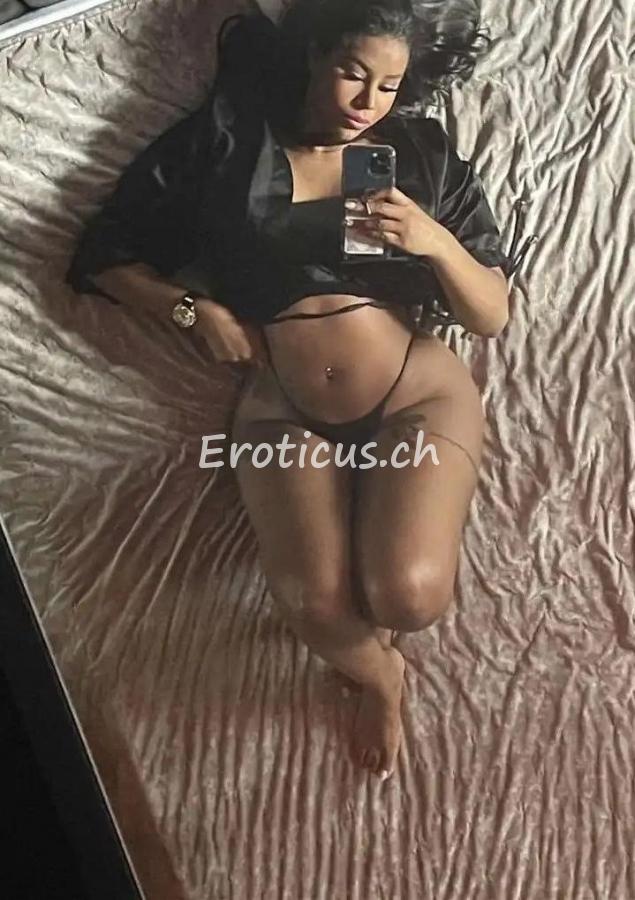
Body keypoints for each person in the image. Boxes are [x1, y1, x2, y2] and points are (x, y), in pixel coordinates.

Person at [66, 0, 537, 779]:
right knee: (315, 608)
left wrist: (431, 241)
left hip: (413, 393)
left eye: (387, 86)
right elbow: (104, 257)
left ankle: (384, 629)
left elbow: (490, 313)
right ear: (314, 57)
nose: (366, 102)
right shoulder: (224, 143)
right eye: (352, 74)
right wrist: (194, 311)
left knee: (409, 599)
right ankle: (380, 675)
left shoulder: (417, 152)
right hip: (284, 407)